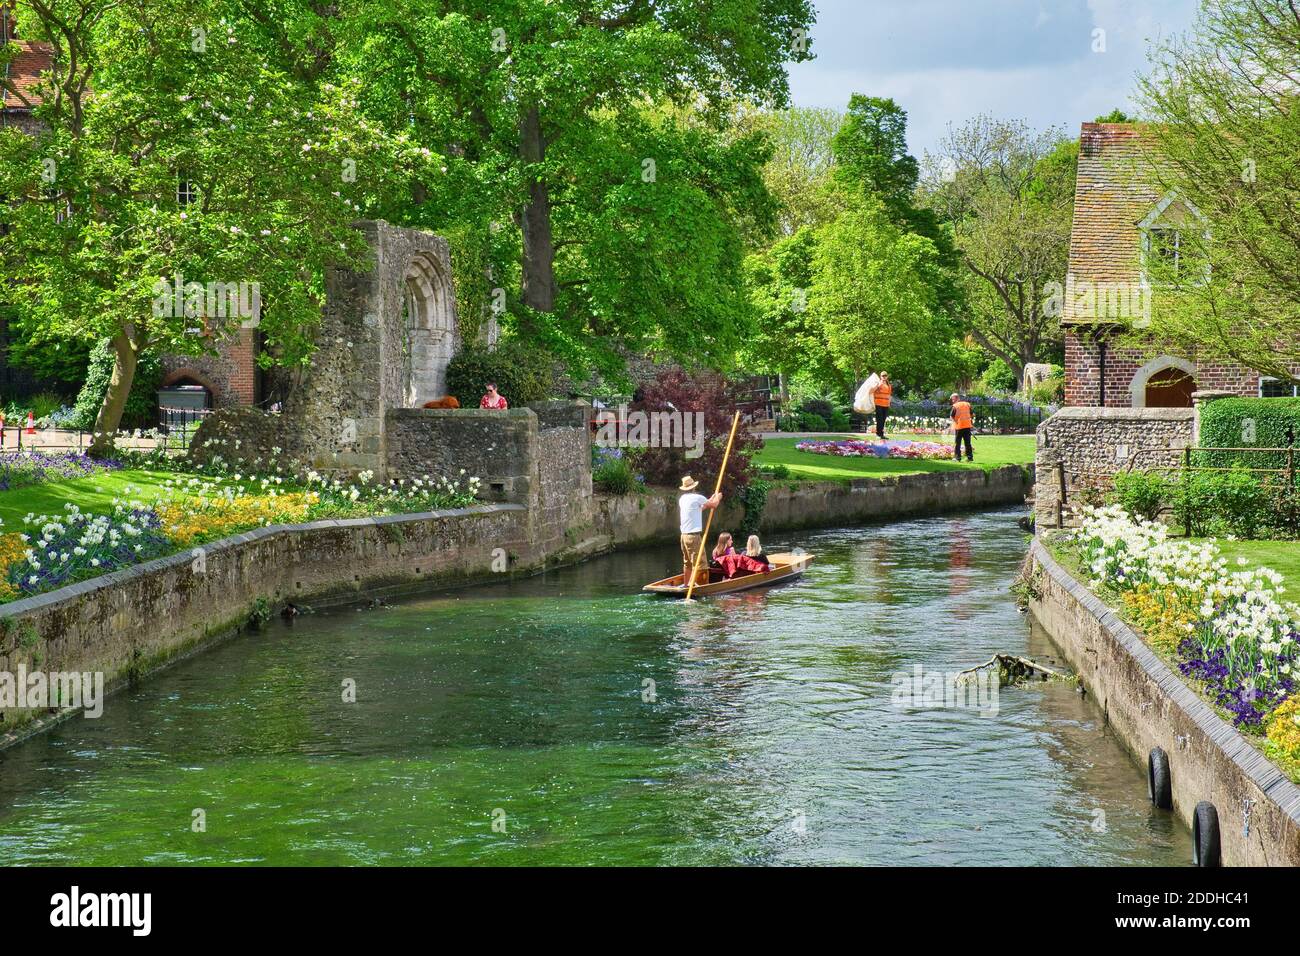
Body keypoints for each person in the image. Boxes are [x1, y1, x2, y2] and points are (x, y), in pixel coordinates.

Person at [678, 475, 722, 587]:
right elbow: (714, 505)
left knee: (687, 562)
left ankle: (687, 584)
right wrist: (718, 498)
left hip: (684, 536)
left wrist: (711, 499)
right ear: (694, 487)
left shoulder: (682, 499)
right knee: (700, 563)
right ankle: (701, 586)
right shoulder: (697, 497)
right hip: (693, 536)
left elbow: (699, 508)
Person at [950, 392, 974, 462]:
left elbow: (952, 416)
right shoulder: (967, 404)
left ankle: (957, 458)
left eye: (953, 399)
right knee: (968, 443)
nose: (952, 401)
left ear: (957, 398)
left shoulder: (955, 406)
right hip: (967, 426)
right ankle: (970, 458)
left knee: (957, 443)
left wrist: (954, 422)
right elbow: (972, 414)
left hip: (959, 427)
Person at [873, 372, 892, 439]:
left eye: (885, 375)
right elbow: (872, 391)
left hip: (885, 405)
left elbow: (889, 395)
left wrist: (889, 403)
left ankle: (881, 434)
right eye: (883, 376)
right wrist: (878, 385)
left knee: (883, 420)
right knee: (879, 419)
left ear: (887, 376)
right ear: (880, 376)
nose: (884, 377)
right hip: (878, 404)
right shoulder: (877, 383)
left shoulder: (888, 385)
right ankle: (878, 434)